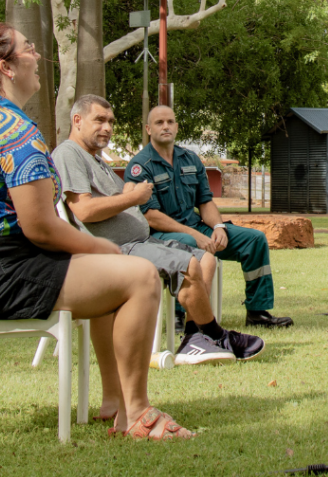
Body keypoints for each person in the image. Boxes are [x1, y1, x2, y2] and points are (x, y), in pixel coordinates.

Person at [0, 22, 194, 439]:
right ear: (6, 66)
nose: (37, 56)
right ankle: (138, 414)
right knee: (139, 275)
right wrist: (101, 249)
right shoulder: (13, 131)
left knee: (115, 275)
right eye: (28, 49)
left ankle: (117, 401)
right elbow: (41, 228)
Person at [52, 95, 264, 369]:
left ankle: (193, 337)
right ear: (77, 120)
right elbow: (85, 211)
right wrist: (133, 197)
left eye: (110, 122)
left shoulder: (97, 160)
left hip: (138, 241)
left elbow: (200, 200)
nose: (107, 128)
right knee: (189, 263)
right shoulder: (69, 153)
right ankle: (214, 335)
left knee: (207, 259)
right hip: (117, 250)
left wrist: (128, 195)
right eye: (99, 120)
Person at [125, 107, 292, 329]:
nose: (165, 126)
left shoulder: (190, 159)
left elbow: (205, 202)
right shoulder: (140, 166)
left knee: (255, 240)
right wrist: (196, 235)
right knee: (188, 245)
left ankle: (257, 313)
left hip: (197, 228)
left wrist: (219, 227)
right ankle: (181, 316)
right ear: (148, 129)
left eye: (170, 121)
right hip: (162, 236)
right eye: (159, 122)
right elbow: (151, 217)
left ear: (176, 127)